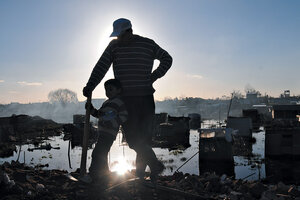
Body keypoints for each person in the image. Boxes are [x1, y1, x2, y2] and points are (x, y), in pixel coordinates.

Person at [83, 18, 173, 184]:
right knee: (133, 139)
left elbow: (167, 59)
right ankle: (154, 166)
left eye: (120, 36)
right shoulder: (114, 46)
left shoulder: (148, 44)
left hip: (145, 99)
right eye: (116, 36)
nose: (118, 39)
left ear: (129, 31)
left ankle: (141, 174)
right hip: (125, 101)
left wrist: (153, 77)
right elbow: (101, 66)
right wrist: (90, 85)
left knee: (144, 139)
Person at [82, 79, 128, 184]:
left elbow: (124, 116)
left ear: (119, 90)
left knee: (97, 153)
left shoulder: (119, 102)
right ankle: (105, 176)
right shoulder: (106, 103)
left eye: (110, 89)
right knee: (102, 154)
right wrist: (91, 109)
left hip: (109, 133)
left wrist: (112, 122)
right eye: (106, 90)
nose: (108, 92)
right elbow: (99, 115)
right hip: (102, 132)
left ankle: (92, 175)